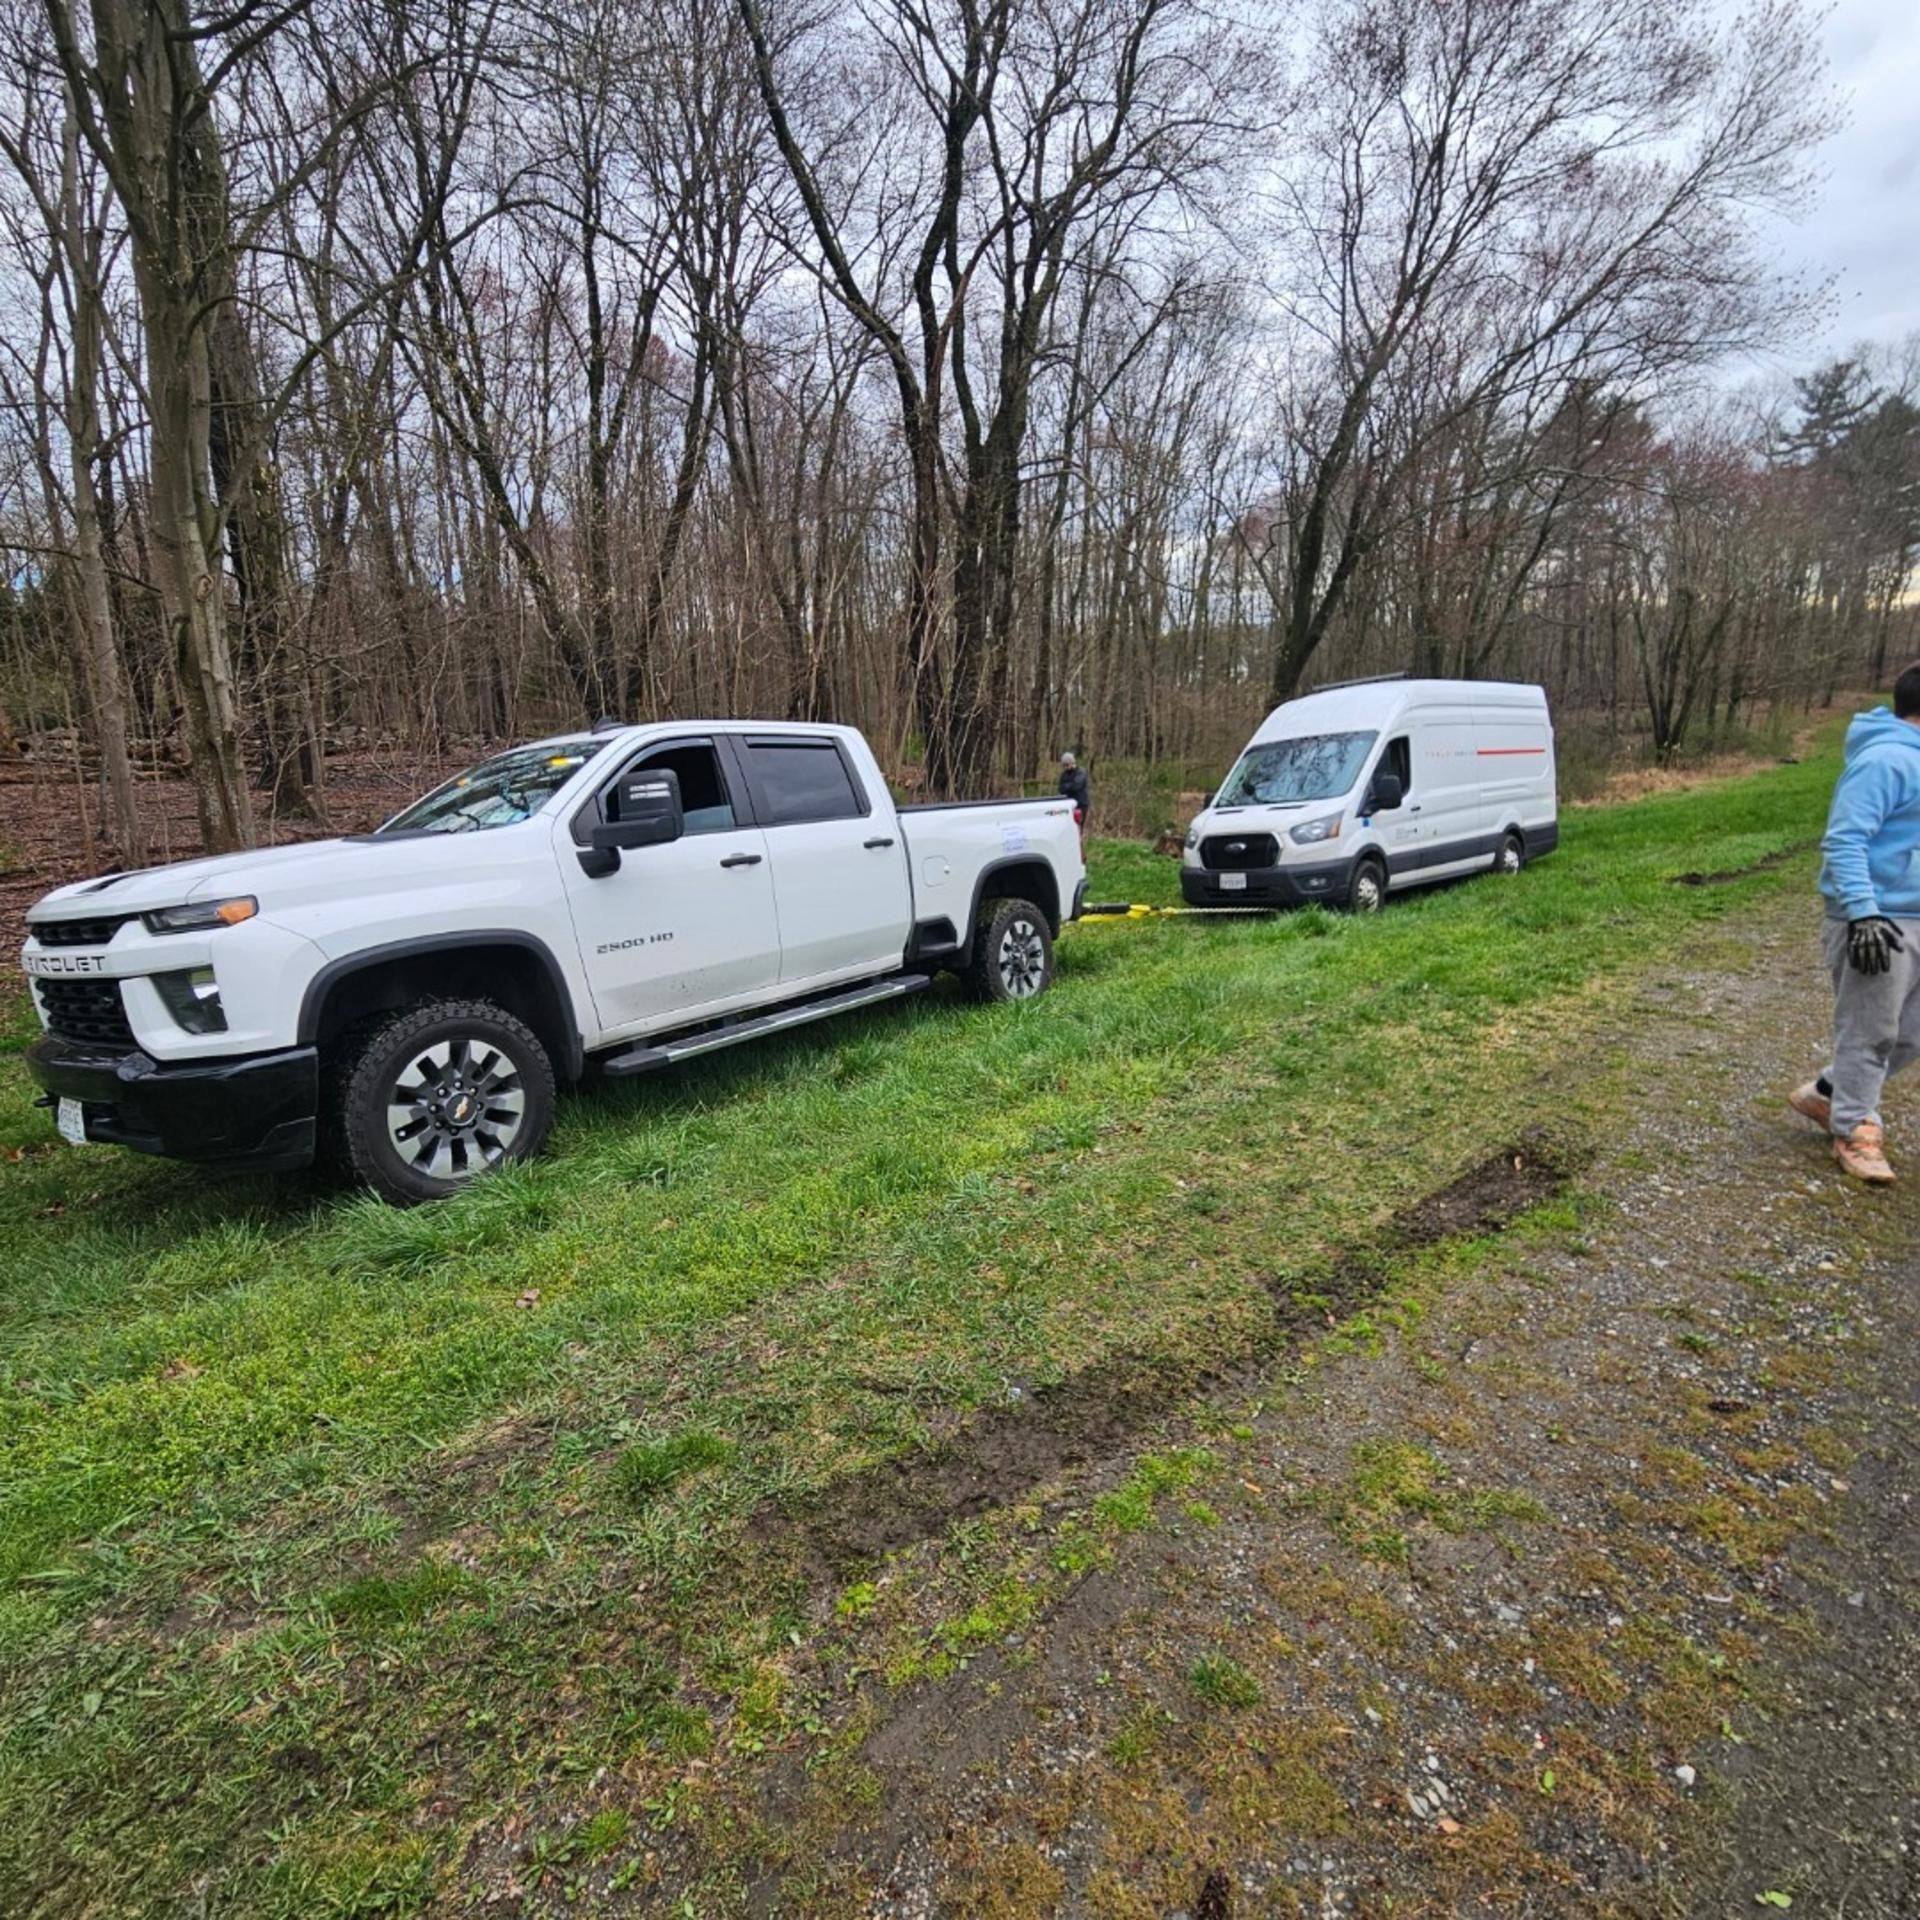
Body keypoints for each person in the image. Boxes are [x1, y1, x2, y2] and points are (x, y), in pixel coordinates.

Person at [1790, 663, 1920, 1183]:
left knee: (1909, 1034)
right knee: (1870, 1032)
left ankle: (1827, 1092)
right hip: (1876, 920)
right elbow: (1845, 840)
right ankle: (1855, 1131)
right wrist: (1864, 913)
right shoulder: (1886, 761)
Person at [1058, 750, 1091, 826]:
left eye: (1067, 765)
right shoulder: (1064, 774)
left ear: (1072, 763)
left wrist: (1067, 786)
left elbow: (1076, 786)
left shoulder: (1081, 772)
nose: (1065, 767)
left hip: (1081, 804)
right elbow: (1061, 788)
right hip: (1069, 804)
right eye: (1064, 765)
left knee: (1078, 826)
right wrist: (1069, 786)